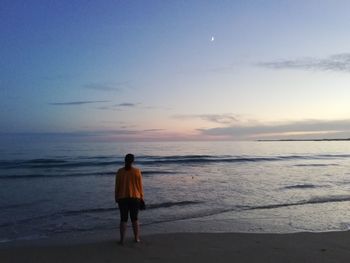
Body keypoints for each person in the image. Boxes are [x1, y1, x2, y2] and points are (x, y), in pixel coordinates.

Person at [115, 154, 144, 244]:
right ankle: (136, 238)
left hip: (122, 198)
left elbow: (117, 186)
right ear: (133, 161)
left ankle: (122, 240)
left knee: (123, 219)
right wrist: (142, 197)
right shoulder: (137, 171)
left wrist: (116, 197)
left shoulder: (120, 171)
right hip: (135, 198)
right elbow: (140, 186)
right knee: (135, 219)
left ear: (125, 160)